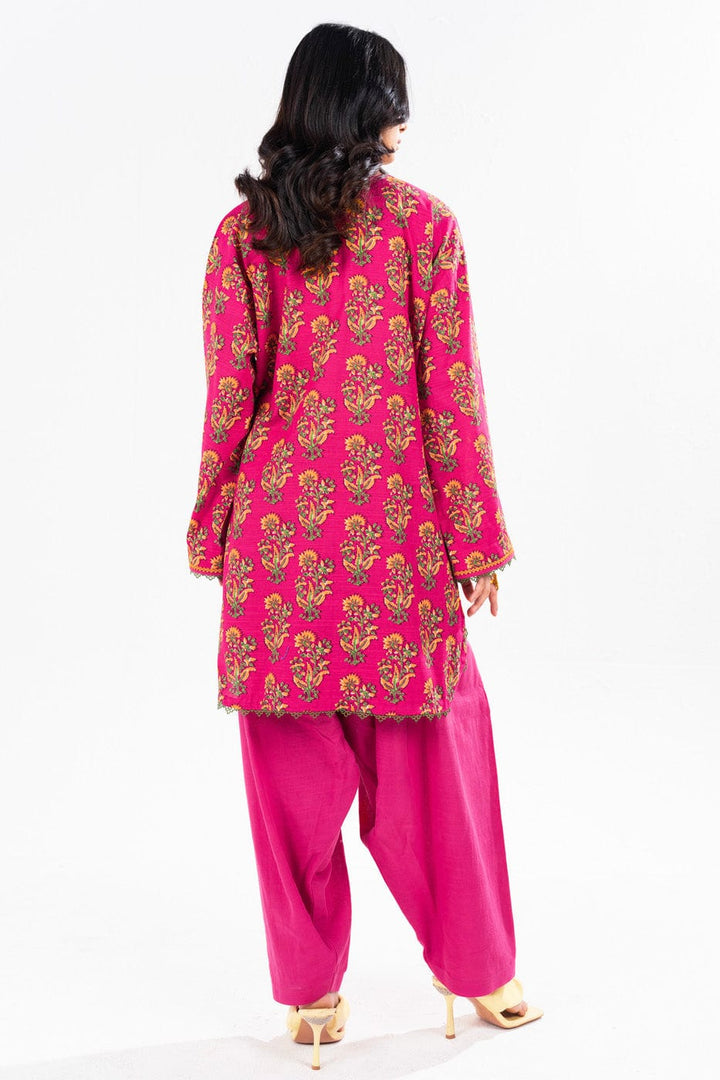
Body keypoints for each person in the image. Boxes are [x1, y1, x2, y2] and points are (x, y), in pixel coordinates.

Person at [185, 21, 543, 1070]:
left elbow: (230, 401)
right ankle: (480, 972)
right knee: (437, 770)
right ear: (371, 110)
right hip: (396, 543)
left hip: (279, 549)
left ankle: (310, 999)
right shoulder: (425, 228)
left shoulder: (241, 235)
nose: (404, 124)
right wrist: (475, 539)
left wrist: (214, 528)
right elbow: (450, 399)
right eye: (395, 103)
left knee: (290, 790)